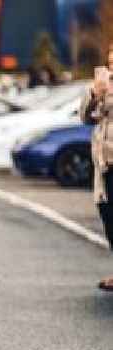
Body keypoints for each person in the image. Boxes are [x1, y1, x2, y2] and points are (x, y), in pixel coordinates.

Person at [81, 45, 113, 290]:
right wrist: (94, 92)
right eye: (110, 62)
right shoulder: (102, 85)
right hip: (104, 165)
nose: (111, 67)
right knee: (108, 217)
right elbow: (84, 116)